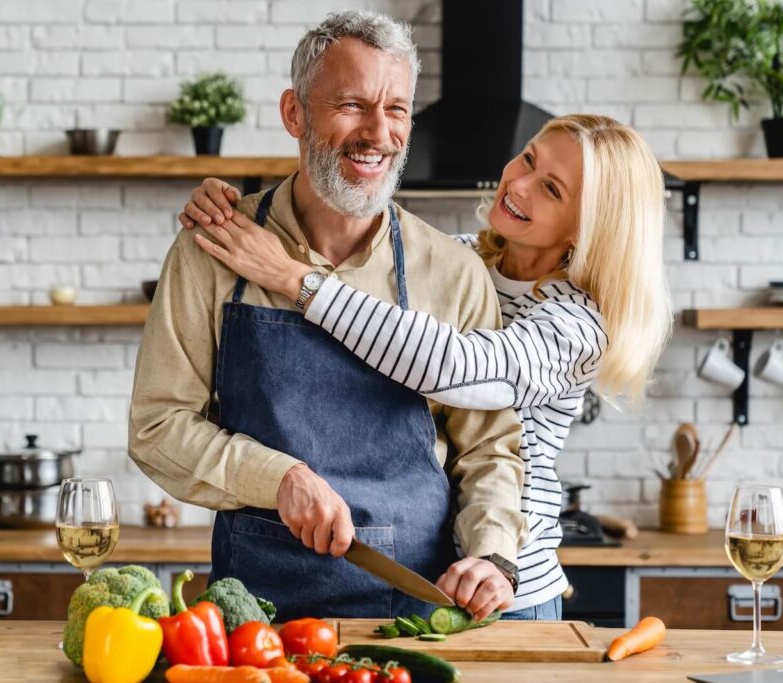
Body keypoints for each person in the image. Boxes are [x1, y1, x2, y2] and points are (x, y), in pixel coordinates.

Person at [178, 113, 673, 620]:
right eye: (528, 159)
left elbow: (453, 368)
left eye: (550, 188)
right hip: (429, 571)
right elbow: (356, 250)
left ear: (589, 227)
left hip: (504, 583)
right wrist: (244, 213)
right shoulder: (459, 261)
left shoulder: (575, 324)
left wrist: (291, 278)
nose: (518, 185)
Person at [130, 10, 528, 623]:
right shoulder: (213, 248)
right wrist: (278, 477)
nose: (378, 131)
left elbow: (490, 448)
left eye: (396, 109)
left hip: (418, 609)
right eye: (351, 104)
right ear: (294, 113)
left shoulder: (451, 271)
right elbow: (157, 427)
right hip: (256, 614)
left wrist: (493, 554)